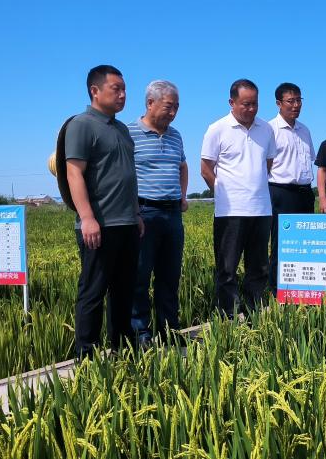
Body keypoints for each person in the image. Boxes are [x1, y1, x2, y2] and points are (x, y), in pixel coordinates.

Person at [63, 64, 142, 358]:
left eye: (124, 89)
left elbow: (127, 175)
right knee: (93, 291)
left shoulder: (121, 129)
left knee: (124, 289)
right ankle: (87, 355)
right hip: (100, 224)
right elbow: (74, 173)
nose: (122, 95)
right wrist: (87, 218)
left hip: (127, 223)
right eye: (116, 89)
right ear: (95, 91)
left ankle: (122, 348)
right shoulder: (81, 125)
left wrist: (136, 214)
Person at [200, 79, 276, 319]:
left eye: (255, 104)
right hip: (229, 211)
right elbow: (206, 168)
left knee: (259, 267)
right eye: (246, 104)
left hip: (261, 209)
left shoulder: (266, 129)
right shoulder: (217, 129)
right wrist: (224, 193)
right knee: (227, 268)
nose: (251, 109)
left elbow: (268, 164)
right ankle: (229, 316)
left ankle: (255, 311)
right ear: (231, 102)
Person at [127, 80, 187, 345]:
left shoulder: (175, 135)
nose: (173, 113)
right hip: (144, 211)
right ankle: (140, 333)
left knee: (170, 275)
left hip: (172, 213)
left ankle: (169, 330)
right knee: (140, 275)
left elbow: (182, 166)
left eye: (176, 107)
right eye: (168, 107)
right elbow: (124, 174)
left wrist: (183, 196)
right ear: (150, 103)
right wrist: (133, 211)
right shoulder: (129, 132)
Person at [267, 83, 315, 289]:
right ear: (279, 103)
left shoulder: (305, 130)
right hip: (281, 192)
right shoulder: (270, 129)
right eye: (291, 101)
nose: (296, 105)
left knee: (305, 243)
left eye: (299, 100)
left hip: (305, 192)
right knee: (281, 243)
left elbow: (310, 160)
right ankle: (276, 291)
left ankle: (302, 289)